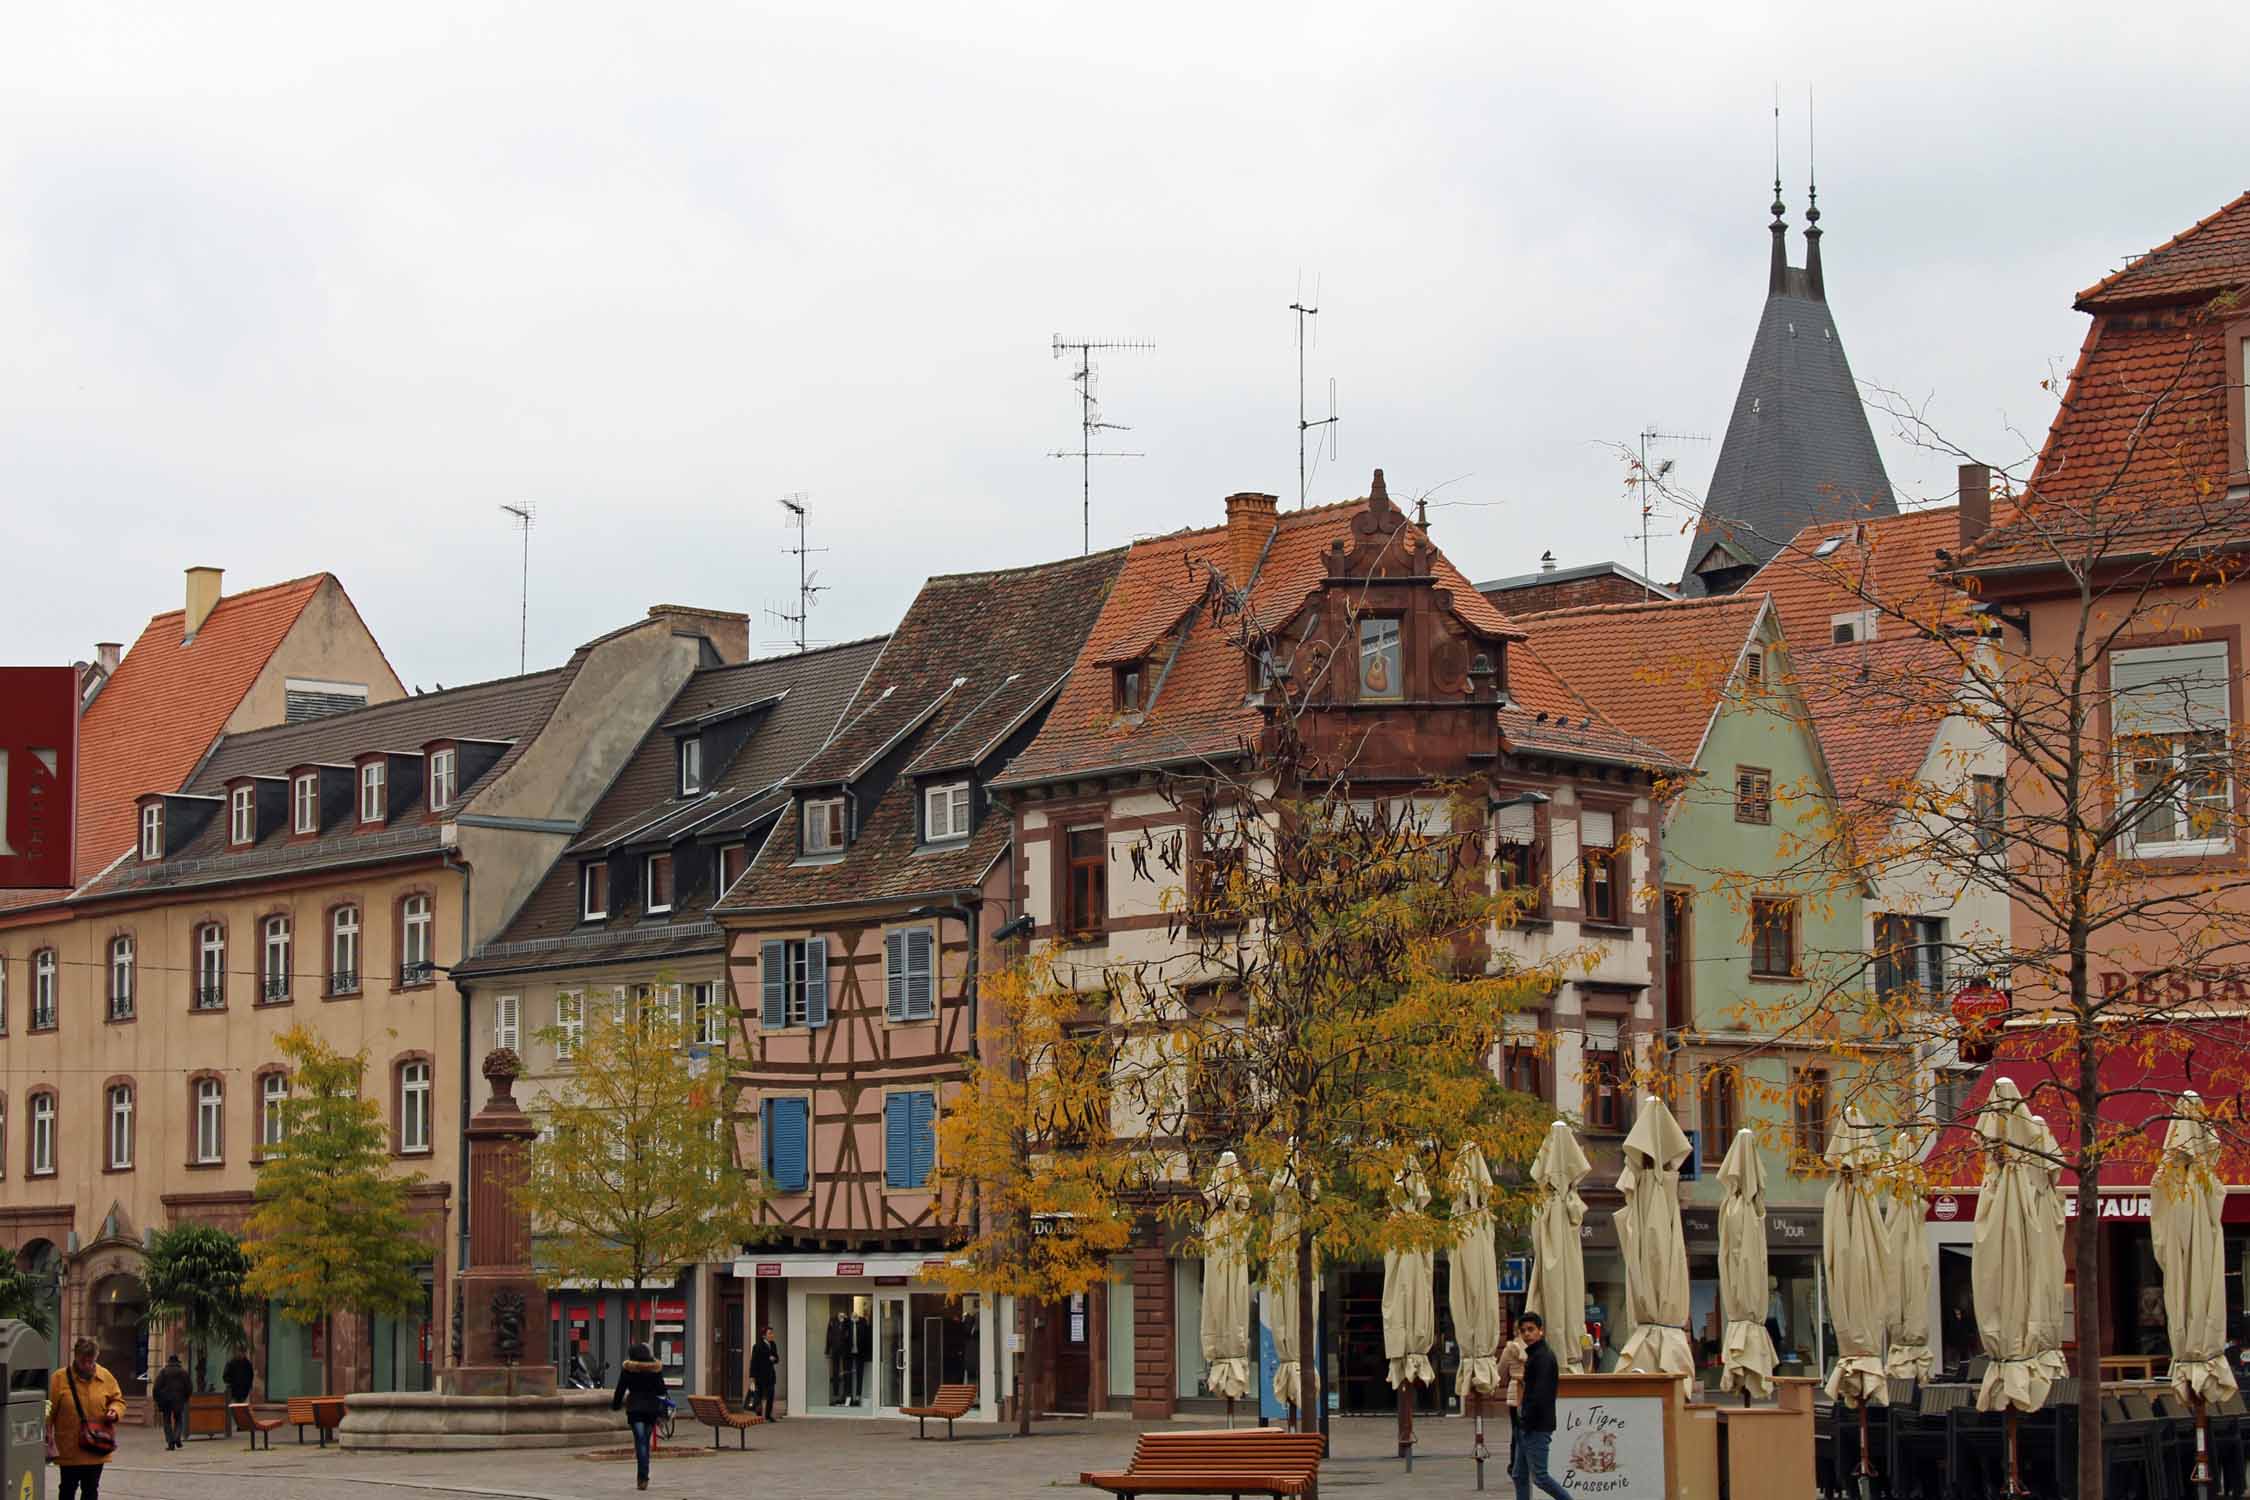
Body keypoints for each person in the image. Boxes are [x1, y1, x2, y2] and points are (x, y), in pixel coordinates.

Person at [46, 1336, 126, 1500]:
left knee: (91, 1489)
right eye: (84, 1361)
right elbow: (49, 1409)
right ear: (75, 1356)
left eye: (92, 1361)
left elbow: (118, 1400)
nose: (88, 1365)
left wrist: (114, 1411)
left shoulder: (105, 1376)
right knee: (68, 1488)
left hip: (97, 1444)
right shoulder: (59, 1378)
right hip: (70, 1447)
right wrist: (47, 1435)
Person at [1513, 1313, 1572, 1500]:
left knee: (1540, 1477)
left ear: (1541, 1330)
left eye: (1531, 1330)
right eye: (1523, 1331)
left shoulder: (1543, 1357)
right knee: (1518, 1474)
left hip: (1535, 1425)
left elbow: (1540, 1395)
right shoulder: (1535, 1355)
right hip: (1527, 1424)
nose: (1527, 1334)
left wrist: (1527, 1421)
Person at [612, 1340, 669, 1492]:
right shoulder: (655, 1370)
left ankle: (642, 1477)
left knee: (640, 1441)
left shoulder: (628, 1370)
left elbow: (620, 1389)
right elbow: (662, 1390)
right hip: (651, 1409)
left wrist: (616, 1405)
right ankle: (644, 1476)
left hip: (635, 1409)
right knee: (646, 1441)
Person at [151, 1354, 193, 1450]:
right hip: (179, 1400)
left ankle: (170, 1442)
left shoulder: (163, 1372)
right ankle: (177, 1437)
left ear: (168, 1362)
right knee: (178, 1420)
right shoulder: (183, 1372)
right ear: (178, 1362)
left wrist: (157, 1400)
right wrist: (185, 1398)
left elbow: (156, 1388)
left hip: (165, 1400)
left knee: (167, 1421)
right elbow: (189, 1387)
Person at [749, 1325, 780, 1421]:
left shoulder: (773, 1344)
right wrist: (752, 1376)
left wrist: (774, 1359)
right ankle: (759, 1416)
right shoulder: (757, 1346)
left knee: (771, 1395)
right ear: (764, 1336)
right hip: (760, 1375)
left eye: (772, 1333)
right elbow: (753, 1361)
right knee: (759, 1396)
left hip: (770, 1375)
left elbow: (777, 1359)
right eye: (770, 1333)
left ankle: (768, 1415)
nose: (772, 1335)